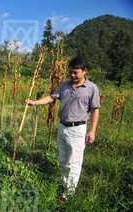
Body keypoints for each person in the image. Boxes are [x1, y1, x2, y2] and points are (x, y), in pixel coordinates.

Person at [26, 56, 100, 203]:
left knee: (74, 162)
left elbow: (95, 109)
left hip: (77, 129)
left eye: (76, 72)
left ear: (85, 71)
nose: (72, 75)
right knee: (64, 159)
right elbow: (52, 98)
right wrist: (34, 103)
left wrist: (92, 130)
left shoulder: (92, 88)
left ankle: (68, 194)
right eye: (71, 72)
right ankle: (63, 184)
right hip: (62, 127)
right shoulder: (64, 85)